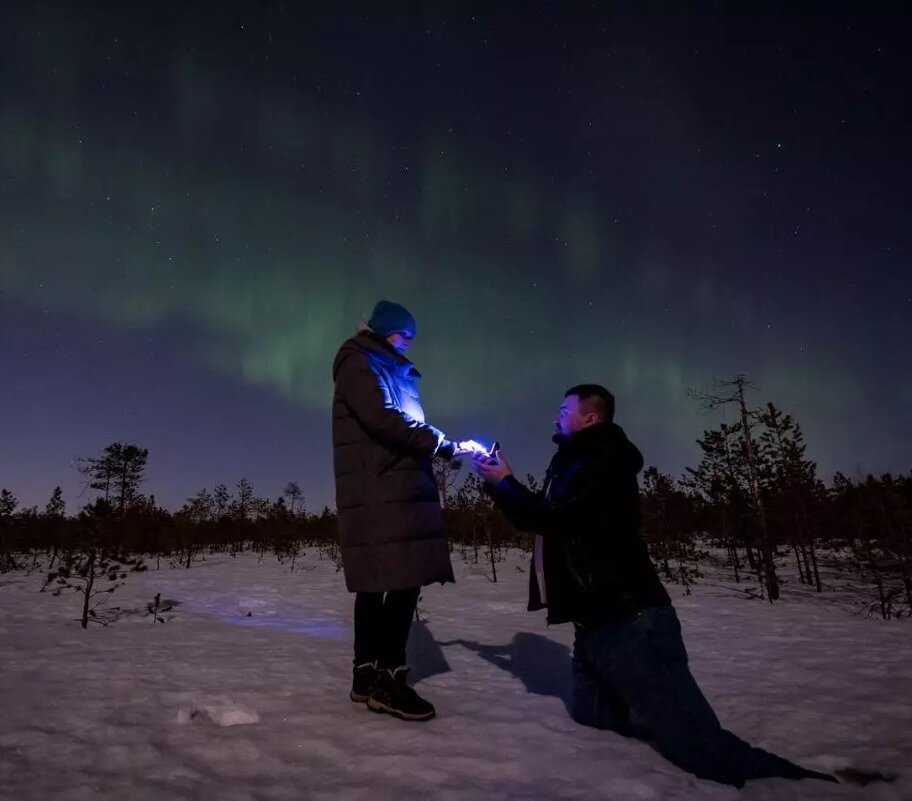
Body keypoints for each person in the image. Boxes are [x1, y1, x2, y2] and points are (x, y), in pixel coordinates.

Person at [471, 384, 839, 788]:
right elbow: (542, 518)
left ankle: (812, 788)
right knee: (598, 736)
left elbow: (555, 519)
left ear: (590, 417)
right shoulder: (574, 461)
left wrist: (505, 482)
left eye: (564, 409)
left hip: (631, 623)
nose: (555, 416)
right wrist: (499, 483)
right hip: (594, 626)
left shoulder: (603, 461)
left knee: (703, 748)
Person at [331, 299, 472, 722]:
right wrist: (440, 443)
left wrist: (436, 443)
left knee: (380, 583)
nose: (409, 342)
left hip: (392, 484)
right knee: (400, 580)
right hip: (383, 487)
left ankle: (367, 677)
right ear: (383, 331)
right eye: (404, 334)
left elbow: (395, 420)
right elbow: (383, 419)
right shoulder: (360, 363)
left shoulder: (387, 366)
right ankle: (388, 682)